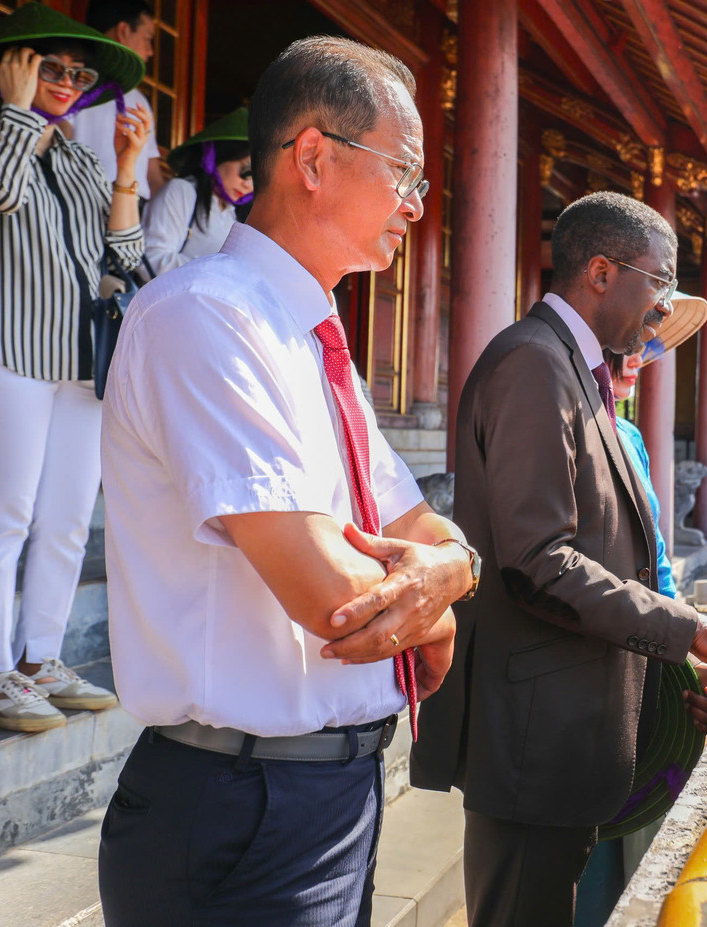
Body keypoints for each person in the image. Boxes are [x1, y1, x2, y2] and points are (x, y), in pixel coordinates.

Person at [96, 37, 476, 926]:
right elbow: (335, 599)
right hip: (239, 802)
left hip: (326, 793)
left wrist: (452, 575)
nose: (416, 205)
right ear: (313, 156)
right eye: (405, 173)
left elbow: (426, 531)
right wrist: (443, 589)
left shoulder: (307, 336)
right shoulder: (209, 318)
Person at [412, 191, 707, 927]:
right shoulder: (534, 364)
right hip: (537, 729)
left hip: (573, 728)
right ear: (600, 270)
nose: (662, 309)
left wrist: (683, 659)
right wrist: (691, 630)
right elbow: (538, 561)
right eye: (658, 282)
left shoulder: (575, 371)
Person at [0, 3, 150, 730]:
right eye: (51, 67)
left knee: (65, 521)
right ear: (14, 66)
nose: (67, 80)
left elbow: (123, 262)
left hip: (76, 361)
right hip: (6, 350)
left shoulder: (77, 159)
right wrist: (19, 111)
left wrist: (126, 174)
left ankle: (39, 659)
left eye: (78, 72)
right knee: (5, 517)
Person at [574, 347, 707, 927]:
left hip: (654, 659)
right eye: (623, 348)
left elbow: (658, 563)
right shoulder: (563, 430)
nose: (636, 357)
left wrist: (694, 644)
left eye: (647, 346)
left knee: (644, 857)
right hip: (588, 668)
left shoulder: (633, 438)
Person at [140, 107, 252, 278]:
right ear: (216, 156)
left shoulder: (232, 214)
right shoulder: (181, 191)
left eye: (257, 180)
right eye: (246, 172)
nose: (248, 185)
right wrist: (217, 273)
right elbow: (151, 260)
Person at [68, 0, 162, 200]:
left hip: (135, 210)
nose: (151, 51)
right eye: (147, 38)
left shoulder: (139, 100)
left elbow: (153, 176)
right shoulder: (73, 84)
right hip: (83, 201)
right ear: (124, 30)